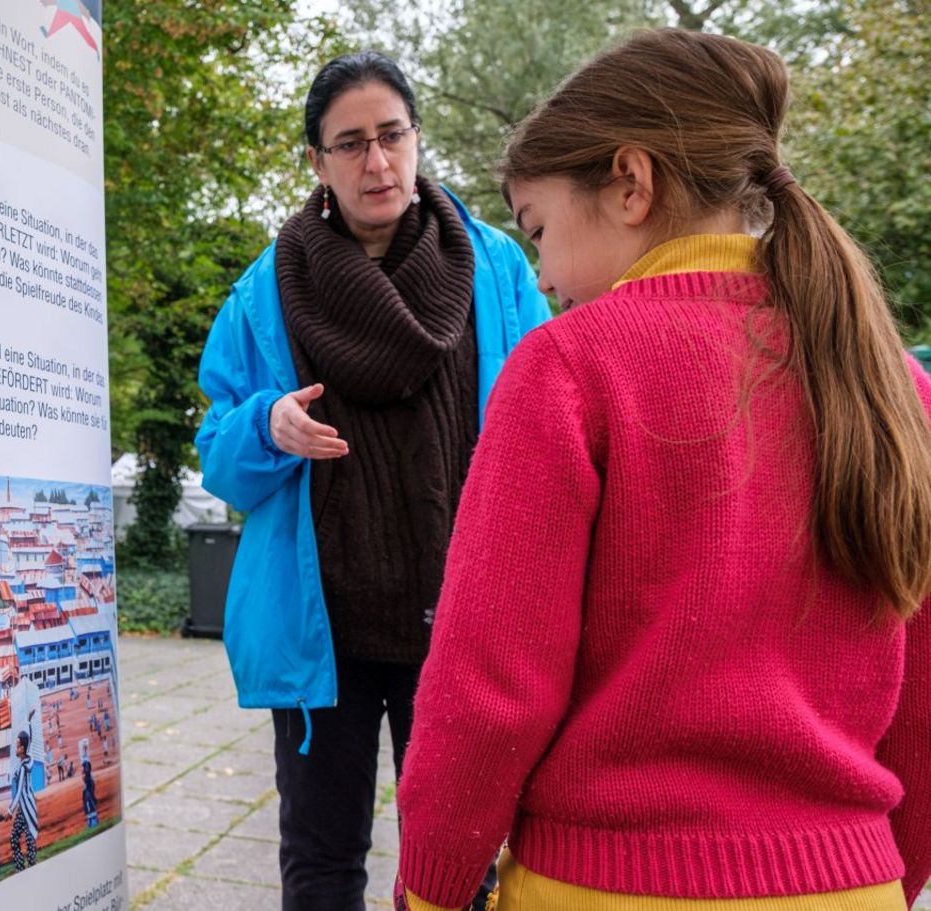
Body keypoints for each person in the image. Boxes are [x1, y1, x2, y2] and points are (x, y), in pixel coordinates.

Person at [393, 27, 931, 911]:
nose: (546, 276)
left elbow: (488, 690)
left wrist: (433, 890)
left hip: (606, 885)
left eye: (539, 232)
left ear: (631, 184)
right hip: (851, 885)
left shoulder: (569, 366)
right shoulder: (889, 381)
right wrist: (881, 872)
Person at [195, 50, 548, 910]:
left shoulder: (496, 271)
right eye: (349, 143)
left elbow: (547, 424)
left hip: (463, 624)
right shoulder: (266, 289)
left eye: (391, 135)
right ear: (317, 162)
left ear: (418, 139)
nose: (376, 162)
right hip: (328, 637)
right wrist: (266, 424)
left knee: (463, 866)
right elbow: (218, 452)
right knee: (319, 860)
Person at [9, 729, 40, 871]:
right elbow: (30, 743)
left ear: (22, 749)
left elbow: (20, 790)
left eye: (18, 746)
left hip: (25, 808)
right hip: (28, 807)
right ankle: (23, 868)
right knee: (20, 838)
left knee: (24, 840)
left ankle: (24, 868)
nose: (16, 749)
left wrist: (10, 811)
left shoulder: (22, 768)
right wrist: (28, 723)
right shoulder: (29, 760)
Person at [81, 757, 98, 829]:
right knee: (88, 808)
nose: (84, 769)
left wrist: (90, 795)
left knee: (90, 808)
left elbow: (91, 787)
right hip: (87, 795)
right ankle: (91, 822)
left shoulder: (89, 777)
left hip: (88, 796)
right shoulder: (87, 777)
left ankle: (93, 823)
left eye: (84, 767)